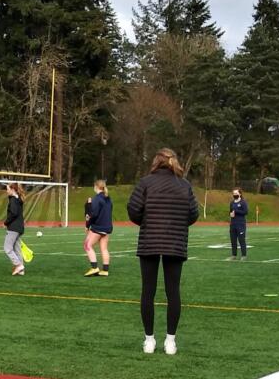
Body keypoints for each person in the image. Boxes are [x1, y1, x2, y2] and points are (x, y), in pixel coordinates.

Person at [127, 147, 199, 355]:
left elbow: (133, 209)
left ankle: (149, 339)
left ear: (156, 162)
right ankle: (170, 341)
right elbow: (193, 214)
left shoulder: (145, 183)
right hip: (175, 242)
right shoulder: (184, 185)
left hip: (150, 240)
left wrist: (146, 222)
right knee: (173, 291)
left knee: (147, 291)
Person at [83, 180, 113, 276]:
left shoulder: (96, 199)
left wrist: (87, 225)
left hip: (98, 226)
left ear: (96, 187)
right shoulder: (108, 198)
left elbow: (93, 214)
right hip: (107, 227)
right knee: (104, 248)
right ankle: (105, 270)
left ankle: (94, 268)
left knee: (87, 245)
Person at [2, 182, 27, 275]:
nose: (6, 191)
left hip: (13, 228)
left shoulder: (13, 200)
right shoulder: (18, 199)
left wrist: (6, 222)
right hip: (19, 227)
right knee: (17, 249)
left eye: (8, 189)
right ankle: (21, 270)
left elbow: (14, 213)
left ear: (12, 190)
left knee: (7, 248)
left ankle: (18, 265)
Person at [228, 188, 249, 261]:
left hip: (241, 224)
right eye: (233, 193)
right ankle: (234, 255)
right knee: (233, 240)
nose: (234, 195)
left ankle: (244, 255)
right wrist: (231, 214)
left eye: (236, 193)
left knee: (241, 240)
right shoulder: (232, 203)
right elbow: (230, 211)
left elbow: (245, 212)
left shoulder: (243, 202)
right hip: (233, 224)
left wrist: (236, 211)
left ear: (240, 194)